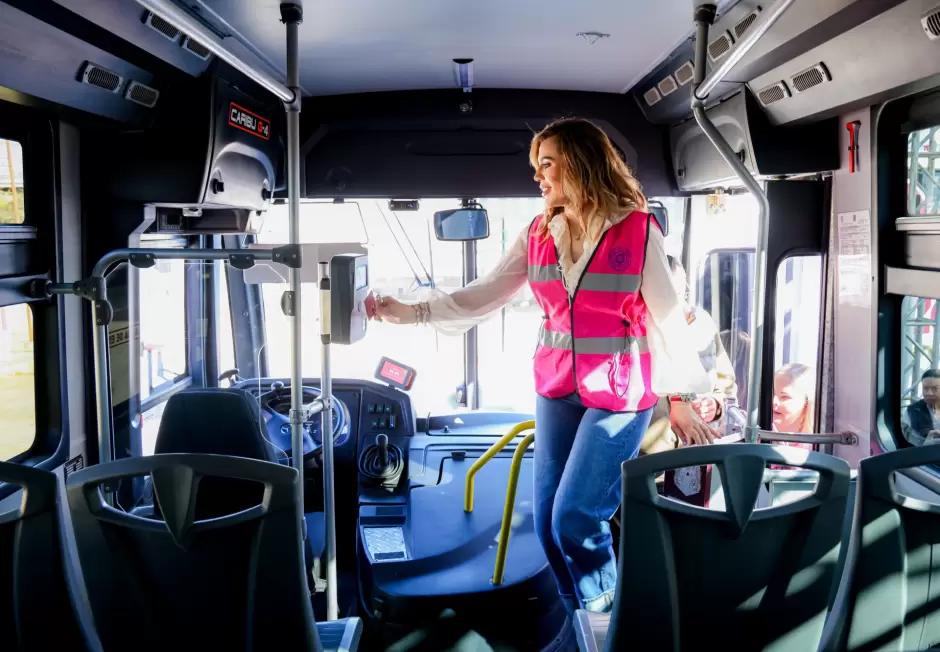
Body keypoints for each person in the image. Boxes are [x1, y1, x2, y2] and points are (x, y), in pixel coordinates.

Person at [369, 118, 718, 614]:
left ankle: (606, 628)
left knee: (575, 517)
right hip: (557, 389)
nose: (538, 176)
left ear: (579, 163)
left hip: (619, 395)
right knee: (548, 526)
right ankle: (580, 622)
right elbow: (483, 296)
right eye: (537, 166)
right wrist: (411, 312)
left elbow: (665, 319)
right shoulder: (537, 232)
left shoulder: (638, 230)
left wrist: (679, 401)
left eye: (547, 163)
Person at [641, 255, 737, 455]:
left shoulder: (703, 324)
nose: (675, 307)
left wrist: (715, 404)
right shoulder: (635, 332)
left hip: (695, 452)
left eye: (678, 295)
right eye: (665, 297)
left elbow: (726, 385)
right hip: (651, 453)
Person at [903, 369, 940, 446]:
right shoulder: (912, 412)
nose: (929, 393)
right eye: (925, 388)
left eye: (934, 389)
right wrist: (924, 445)